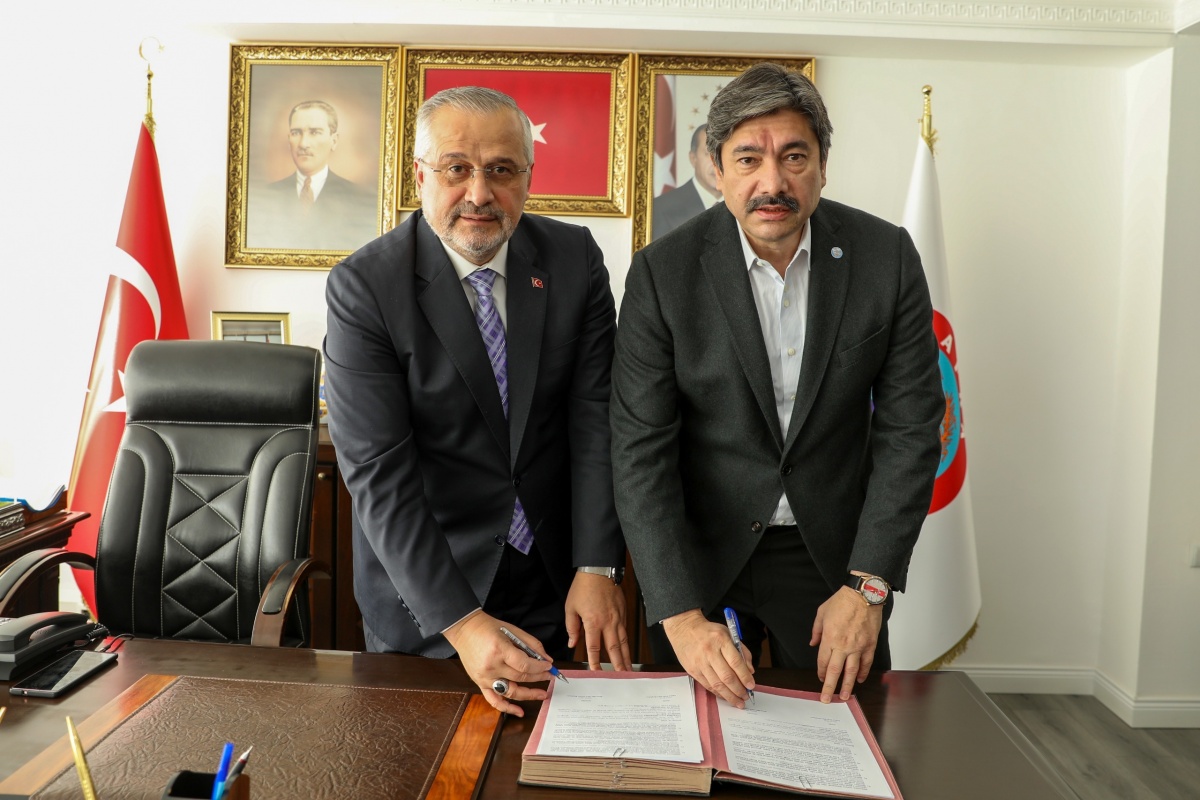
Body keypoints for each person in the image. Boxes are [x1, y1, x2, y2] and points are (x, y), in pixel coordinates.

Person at [610, 63, 943, 708]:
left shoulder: (887, 258)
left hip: (833, 560)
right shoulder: (661, 273)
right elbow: (638, 449)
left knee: (849, 734)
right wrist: (678, 614)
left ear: (823, 165)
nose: (773, 183)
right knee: (696, 740)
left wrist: (869, 586)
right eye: (748, 159)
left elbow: (910, 430)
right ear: (717, 170)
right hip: (700, 557)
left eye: (794, 156)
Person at [323, 86, 630, 716]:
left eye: (501, 170)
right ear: (420, 176)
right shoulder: (365, 287)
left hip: (556, 582)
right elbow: (380, 475)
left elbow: (596, 422)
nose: (480, 193)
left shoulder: (574, 260)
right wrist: (461, 624)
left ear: (529, 178)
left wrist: (597, 566)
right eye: (456, 168)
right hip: (427, 595)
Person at [248, 100, 377, 251]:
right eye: (296, 133)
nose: (303, 144)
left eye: (315, 132)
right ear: (289, 140)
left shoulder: (358, 200)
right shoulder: (266, 197)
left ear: (334, 141)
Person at [651, 124, 722, 240]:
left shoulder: (745, 203)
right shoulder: (660, 208)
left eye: (722, 153)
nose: (717, 163)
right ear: (693, 159)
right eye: (708, 153)